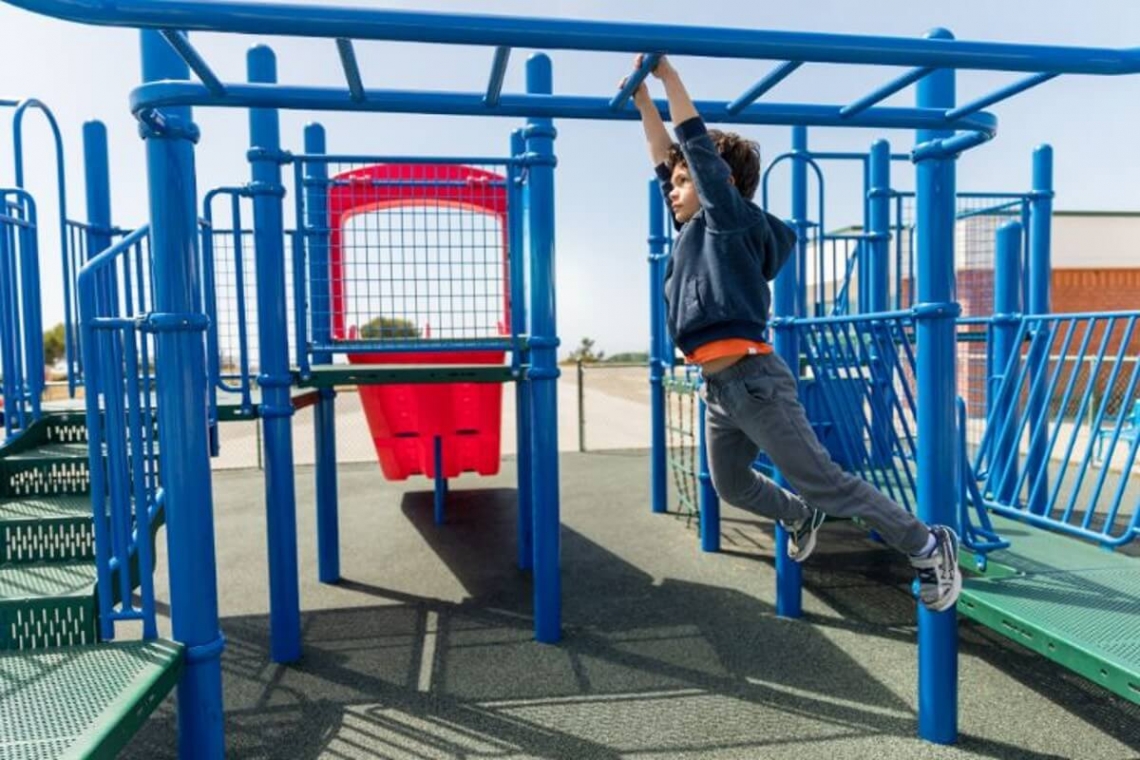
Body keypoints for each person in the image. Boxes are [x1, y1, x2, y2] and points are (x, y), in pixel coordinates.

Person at [626, 55, 961, 612]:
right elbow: (667, 158)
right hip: (719, 391)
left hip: (754, 381)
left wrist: (669, 80)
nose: (673, 189)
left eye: (686, 182)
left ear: (720, 185)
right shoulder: (690, 233)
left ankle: (927, 544)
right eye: (675, 182)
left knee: (824, 481)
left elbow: (694, 153)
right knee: (732, 484)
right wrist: (641, 100)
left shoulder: (727, 222)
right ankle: (798, 516)